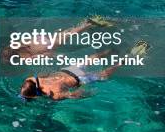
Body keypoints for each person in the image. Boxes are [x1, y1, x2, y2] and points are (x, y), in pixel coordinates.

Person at [18, 40, 150, 101]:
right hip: (68, 70)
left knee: (104, 74)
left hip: (79, 80)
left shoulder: (54, 96)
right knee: (92, 58)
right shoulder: (30, 79)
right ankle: (113, 49)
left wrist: (89, 94)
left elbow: (75, 94)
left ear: (35, 95)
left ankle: (129, 57)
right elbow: (45, 74)